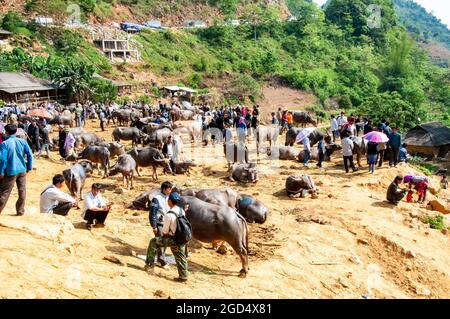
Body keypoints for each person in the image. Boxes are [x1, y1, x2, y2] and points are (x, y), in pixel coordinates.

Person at [145, 192, 188, 282]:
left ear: (170, 201)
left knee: (153, 242)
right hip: (182, 237)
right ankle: (183, 276)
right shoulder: (181, 210)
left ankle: (149, 265)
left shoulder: (169, 215)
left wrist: (165, 236)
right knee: (181, 256)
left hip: (172, 239)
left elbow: (164, 231)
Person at [0, 124, 33, 215]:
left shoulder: (4, 144)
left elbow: (3, 159)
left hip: (10, 171)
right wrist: (29, 167)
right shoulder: (22, 141)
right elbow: (30, 154)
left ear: (6, 132)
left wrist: (1, 171)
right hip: (22, 169)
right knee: (22, 190)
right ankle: (20, 210)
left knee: (5, 193)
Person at [149, 181, 173, 268]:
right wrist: (154, 225)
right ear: (164, 189)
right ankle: (162, 261)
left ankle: (159, 258)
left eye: (171, 189)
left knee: (164, 242)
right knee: (160, 241)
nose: (170, 191)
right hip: (159, 223)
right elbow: (153, 212)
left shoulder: (168, 197)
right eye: (169, 189)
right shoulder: (156, 198)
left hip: (167, 223)